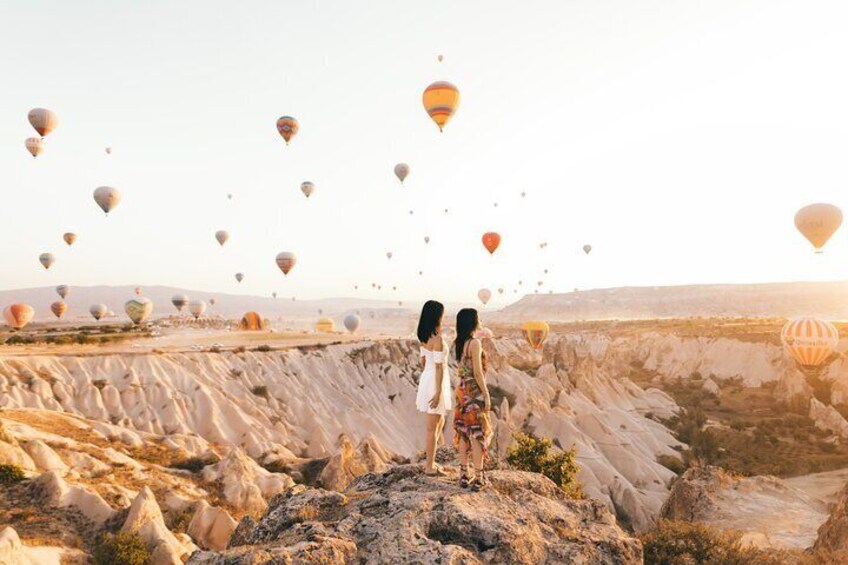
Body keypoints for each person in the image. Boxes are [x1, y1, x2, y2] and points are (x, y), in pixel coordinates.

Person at [453, 308, 492, 490]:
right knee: (477, 435)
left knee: (463, 433)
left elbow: (463, 369)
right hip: (473, 393)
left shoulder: (458, 343)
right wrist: (485, 393)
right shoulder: (475, 343)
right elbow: (477, 372)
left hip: (461, 391)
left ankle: (463, 475)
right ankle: (478, 478)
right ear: (473, 322)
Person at [416, 300, 452, 475]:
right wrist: (437, 392)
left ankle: (431, 461)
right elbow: (438, 366)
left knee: (440, 422)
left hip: (429, 377)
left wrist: (427, 378)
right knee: (432, 426)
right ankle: (429, 466)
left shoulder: (423, 336)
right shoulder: (437, 339)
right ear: (437, 316)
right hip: (436, 380)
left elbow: (423, 362)